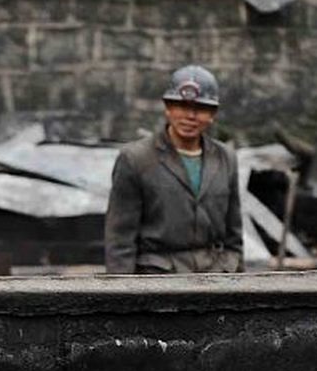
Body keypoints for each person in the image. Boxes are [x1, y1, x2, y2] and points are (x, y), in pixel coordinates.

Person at [104, 64, 244, 274]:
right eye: (181, 106)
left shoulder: (225, 158)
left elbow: (234, 236)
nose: (190, 116)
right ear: (168, 108)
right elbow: (120, 241)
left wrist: (237, 281)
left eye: (201, 109)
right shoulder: (136, 158)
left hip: (215, 279)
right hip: (158, 280)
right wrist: (123, 298)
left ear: (213, 114)